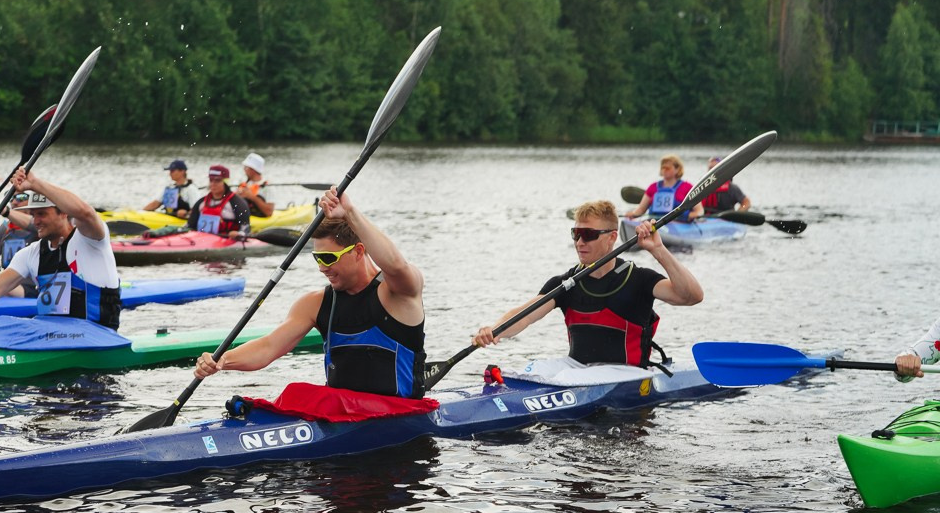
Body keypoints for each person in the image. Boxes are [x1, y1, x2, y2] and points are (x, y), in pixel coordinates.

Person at [193, 187, 427, 398]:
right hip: (341, 415)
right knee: (296, 394)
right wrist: (222, 360)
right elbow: (268, 347)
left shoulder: (398, 292)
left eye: (328, 258)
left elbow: (395, 265)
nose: (322, 268)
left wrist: (350, 212)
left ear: (357, 251)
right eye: (317, 258)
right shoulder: (314, 304)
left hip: (398, 416)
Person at [473, 200, 703, 369]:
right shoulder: (566, 284)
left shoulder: (639, 279)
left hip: (627, 376)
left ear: (612, 237)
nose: (580, 242)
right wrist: (495, 331)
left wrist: (658, 250)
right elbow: (524, 315)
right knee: (535, 370)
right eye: (576, 234)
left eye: (588, 235)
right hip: (577, 372)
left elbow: (691, 296)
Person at [0, 168, 122, 328]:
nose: (35, 221)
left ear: (63, 213)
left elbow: (85, 213)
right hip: (51, 334)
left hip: (96, 335)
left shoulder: (89, 240)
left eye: (42, 214)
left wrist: (34, 183)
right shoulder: (31, 253)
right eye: (33, 214)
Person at [624, 154, 703, 222]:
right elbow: (641, 210)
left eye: (668, 168)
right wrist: (632, 214)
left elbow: (699, 211)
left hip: (679, 223)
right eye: (663, 168)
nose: (664, 170)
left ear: (677, 169)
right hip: (656, 222)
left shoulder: (687, 187)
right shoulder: (653, 187)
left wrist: (689, 216)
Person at [185, 164, 251, 239]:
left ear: (225, 182)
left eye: (217, 181)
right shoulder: (201, 203)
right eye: (211, 180)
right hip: (202, 241)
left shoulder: (238, 203)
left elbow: (246, 230)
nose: (213, 184)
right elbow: (189, 226)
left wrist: (239, 234)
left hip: (228, 242)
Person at [235, 152, 274, 218]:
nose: (244, 170)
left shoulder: (268, 186)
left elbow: (269, 212)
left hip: (260, 218)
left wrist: (252, 197)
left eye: (246, 167)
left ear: (253, 169)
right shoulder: (243, 183)